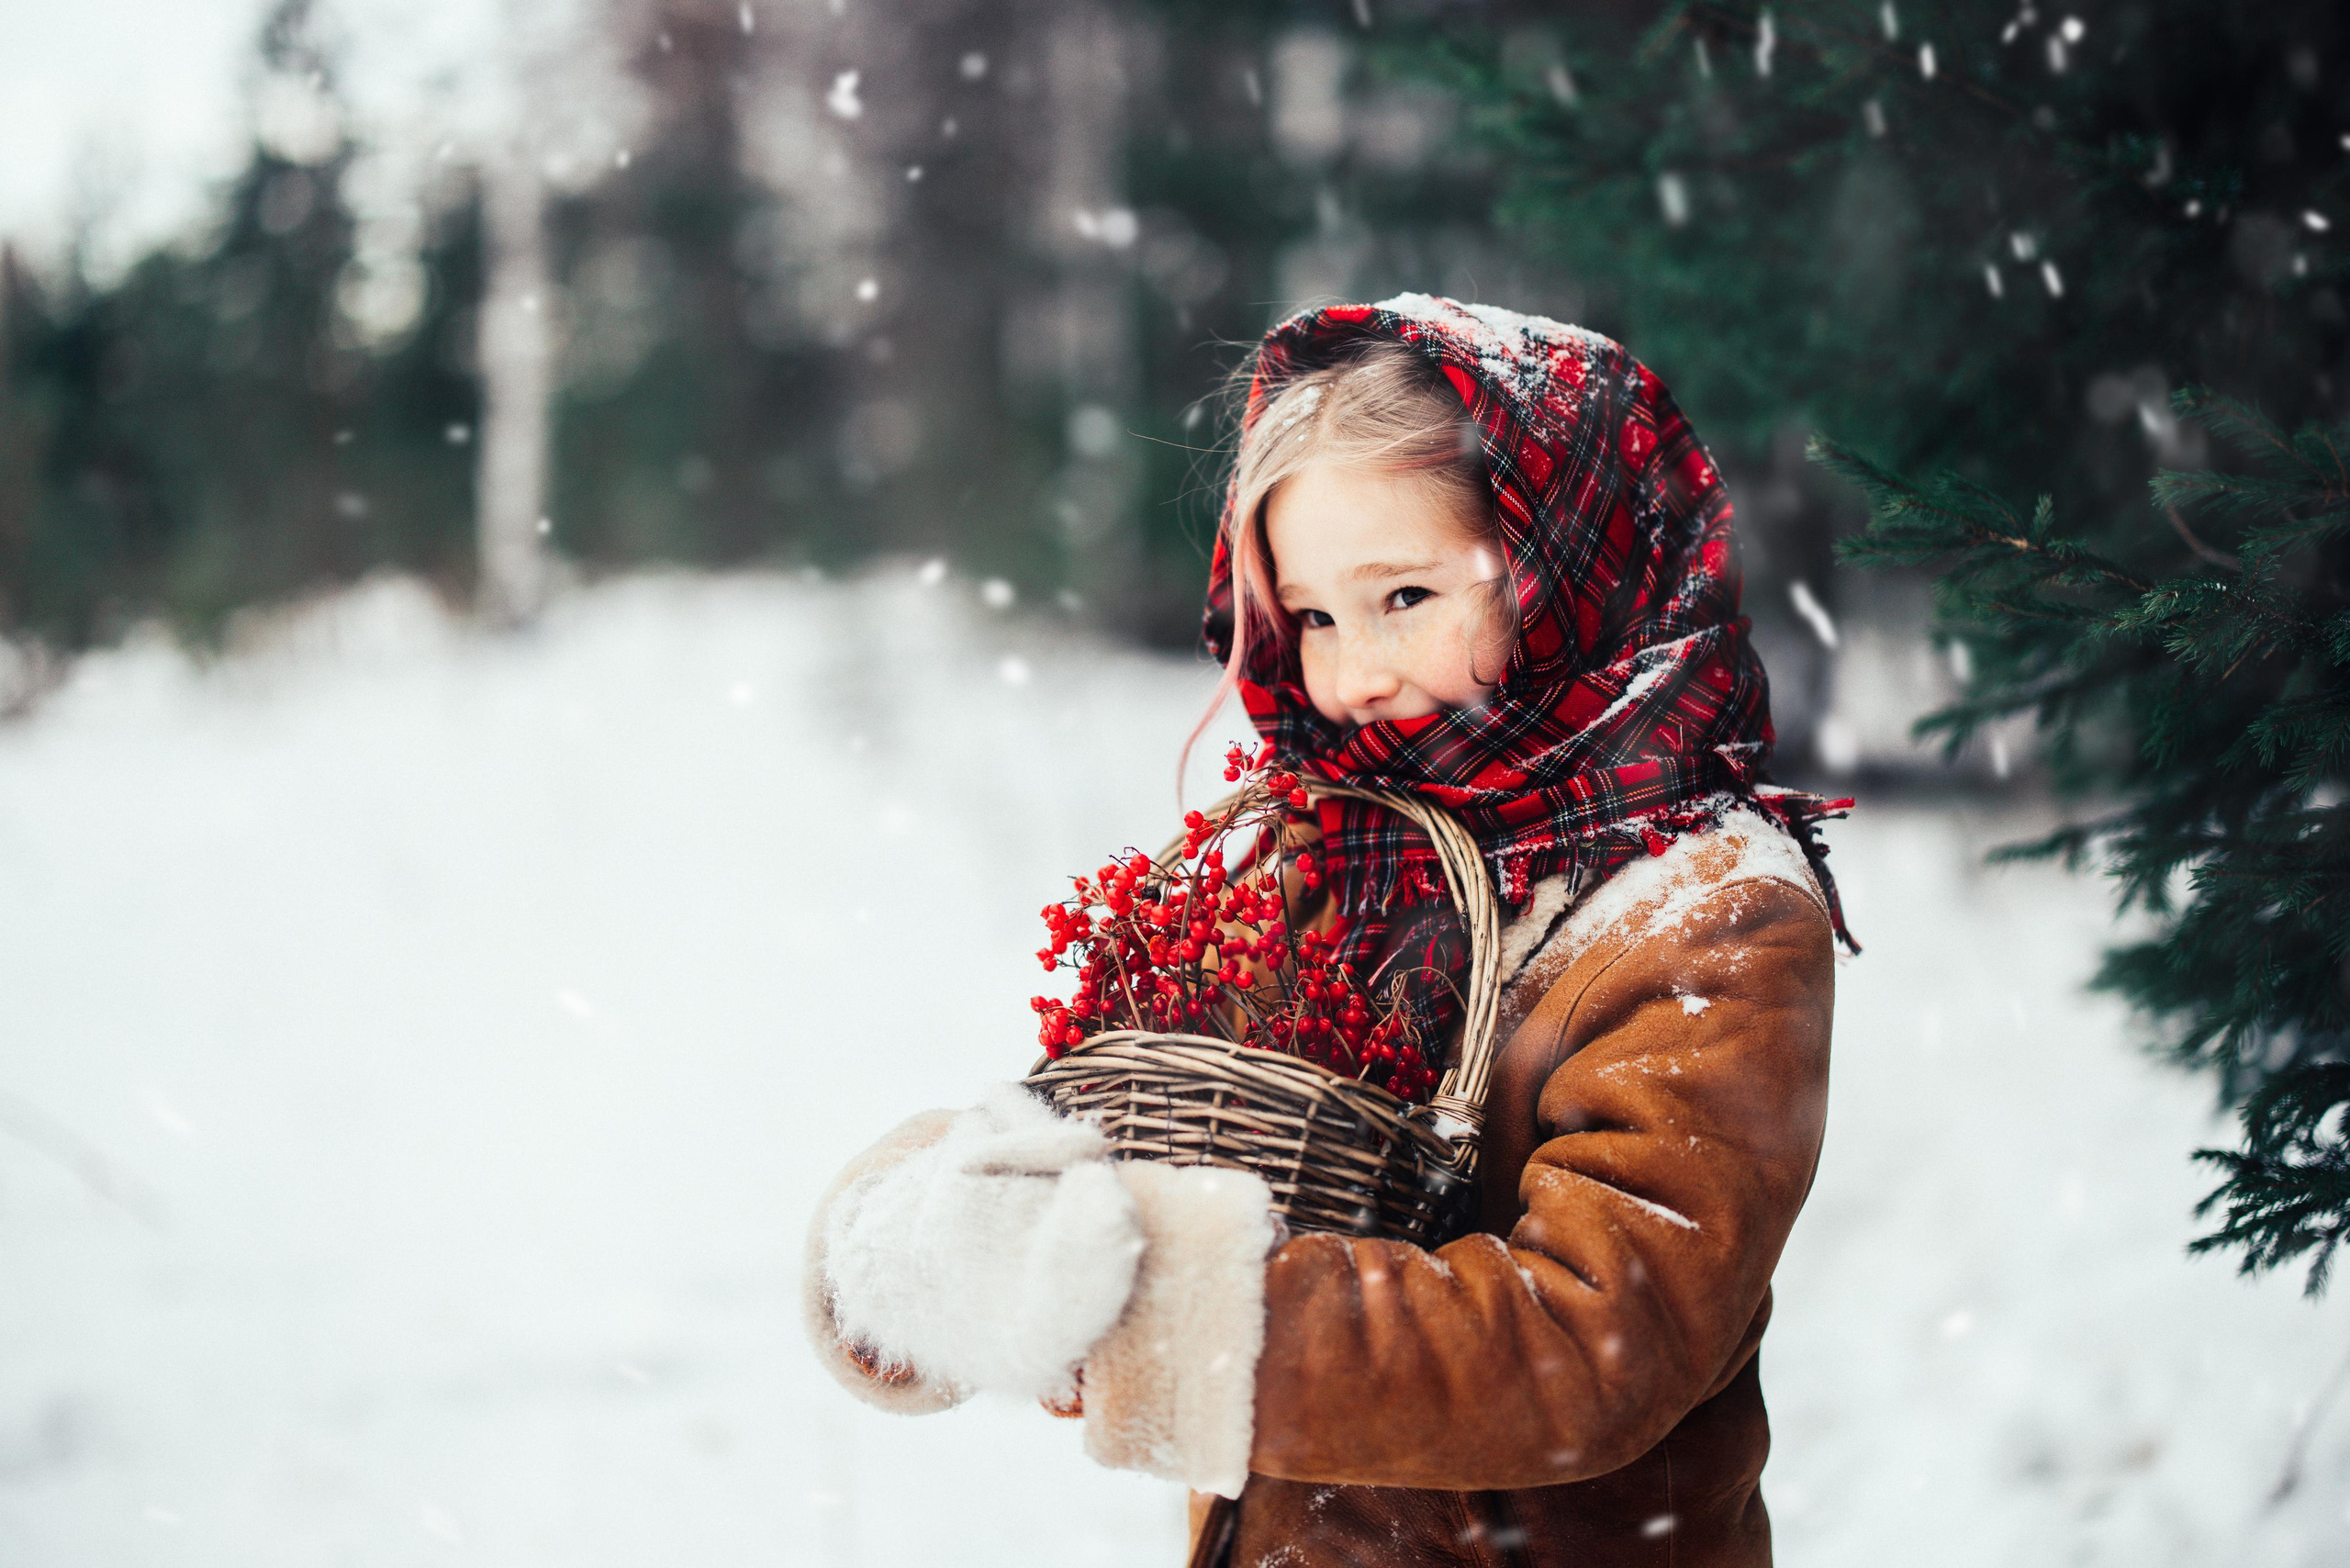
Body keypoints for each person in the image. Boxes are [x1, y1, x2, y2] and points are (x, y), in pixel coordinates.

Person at [802, 294, 1852, 1566]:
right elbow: (1153, 1113)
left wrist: (1153, 1303)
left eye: (1404, 595)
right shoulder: (1344, 847)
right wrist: (955, 1228)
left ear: (1575, 566)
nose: (1353, 676)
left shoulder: (1706, 916)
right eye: (1310, 617)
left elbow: (1592, 1347)